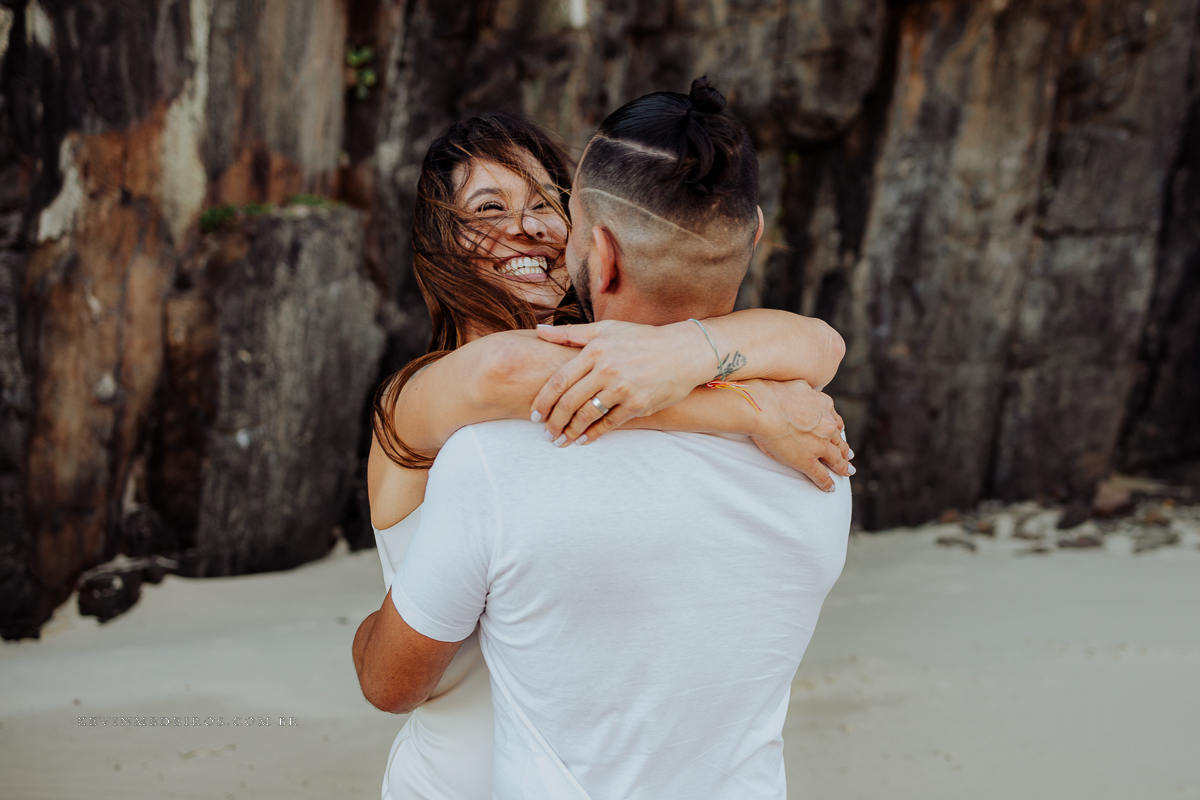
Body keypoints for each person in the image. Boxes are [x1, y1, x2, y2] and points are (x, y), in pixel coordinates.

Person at [359, 92, 851, 799]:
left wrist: (686, 354)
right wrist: (752, 406)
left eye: (543, 205)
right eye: (488, 210)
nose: (524, 228)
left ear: (586, 238)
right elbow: (505, 372)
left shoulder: (632, 382)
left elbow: (819, 340)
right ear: (439, 244)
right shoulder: (418, 400)